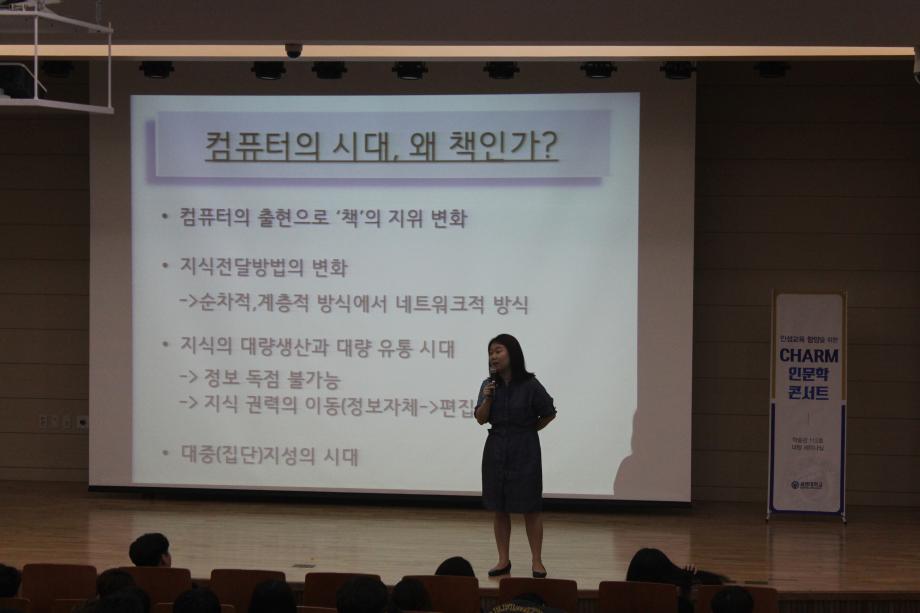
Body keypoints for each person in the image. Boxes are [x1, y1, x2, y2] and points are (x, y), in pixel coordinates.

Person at [474, 334, 556, 579]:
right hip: (496, 448)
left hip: (525, 450)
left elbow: (549, 412)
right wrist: (488, 398)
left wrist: (529, 431)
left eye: (498, 351)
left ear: (513, 353)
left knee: (531, 507)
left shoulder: (530, 384)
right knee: (499, 508)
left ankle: (537, 561)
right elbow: (480, 418)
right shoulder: (488, 385)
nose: (493, 356)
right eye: (490, 352)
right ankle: (503, 560)